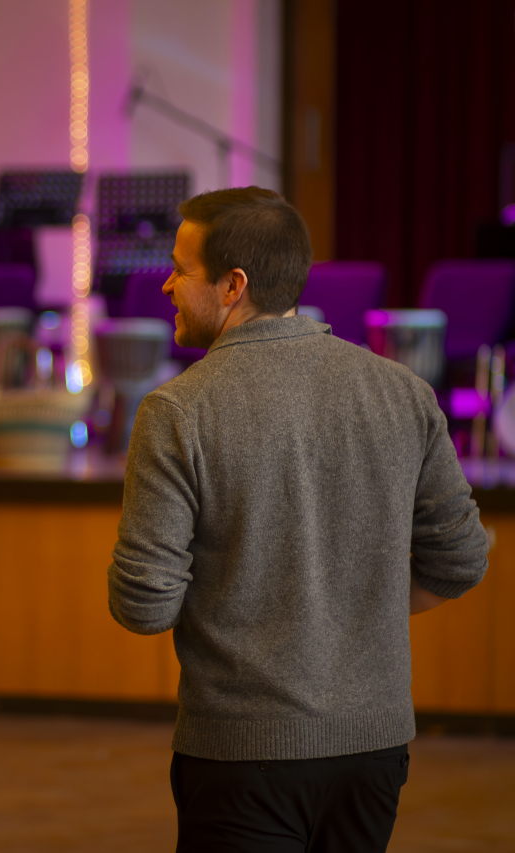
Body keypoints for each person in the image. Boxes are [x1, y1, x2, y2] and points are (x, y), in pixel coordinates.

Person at [108, 186, 488, 852]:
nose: (166, 284)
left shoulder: (178, 411)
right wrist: (346, 606)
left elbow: (143, 607)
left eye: (179, 268)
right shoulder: (403, 392)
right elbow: (460, 561)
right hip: (374, 750)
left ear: (233, 285)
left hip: (240, 751)